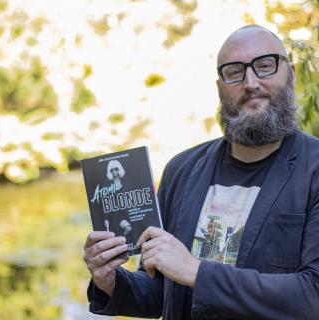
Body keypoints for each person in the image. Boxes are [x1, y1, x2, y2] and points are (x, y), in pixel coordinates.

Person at [83, 25, 319, 319]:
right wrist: (110, 281)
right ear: (220, 87)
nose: (250, 82)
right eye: (234, 71)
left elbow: (312, 296)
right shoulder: (181, 169)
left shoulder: (313, 171)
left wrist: (196, 272)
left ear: (291, 74)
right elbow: (158, 293)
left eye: (265, 66)